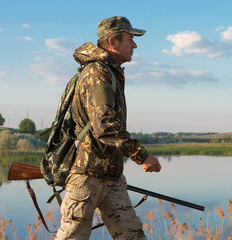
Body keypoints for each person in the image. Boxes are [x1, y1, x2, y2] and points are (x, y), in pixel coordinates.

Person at [55, 16, 162, 240]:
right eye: (130, 39)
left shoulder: (110, 72)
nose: (134, 45)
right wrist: (141, 156)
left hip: (110, 175)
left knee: (132, 235)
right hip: (86, 176)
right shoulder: (98, 73)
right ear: (113, 42)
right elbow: (104, 125)